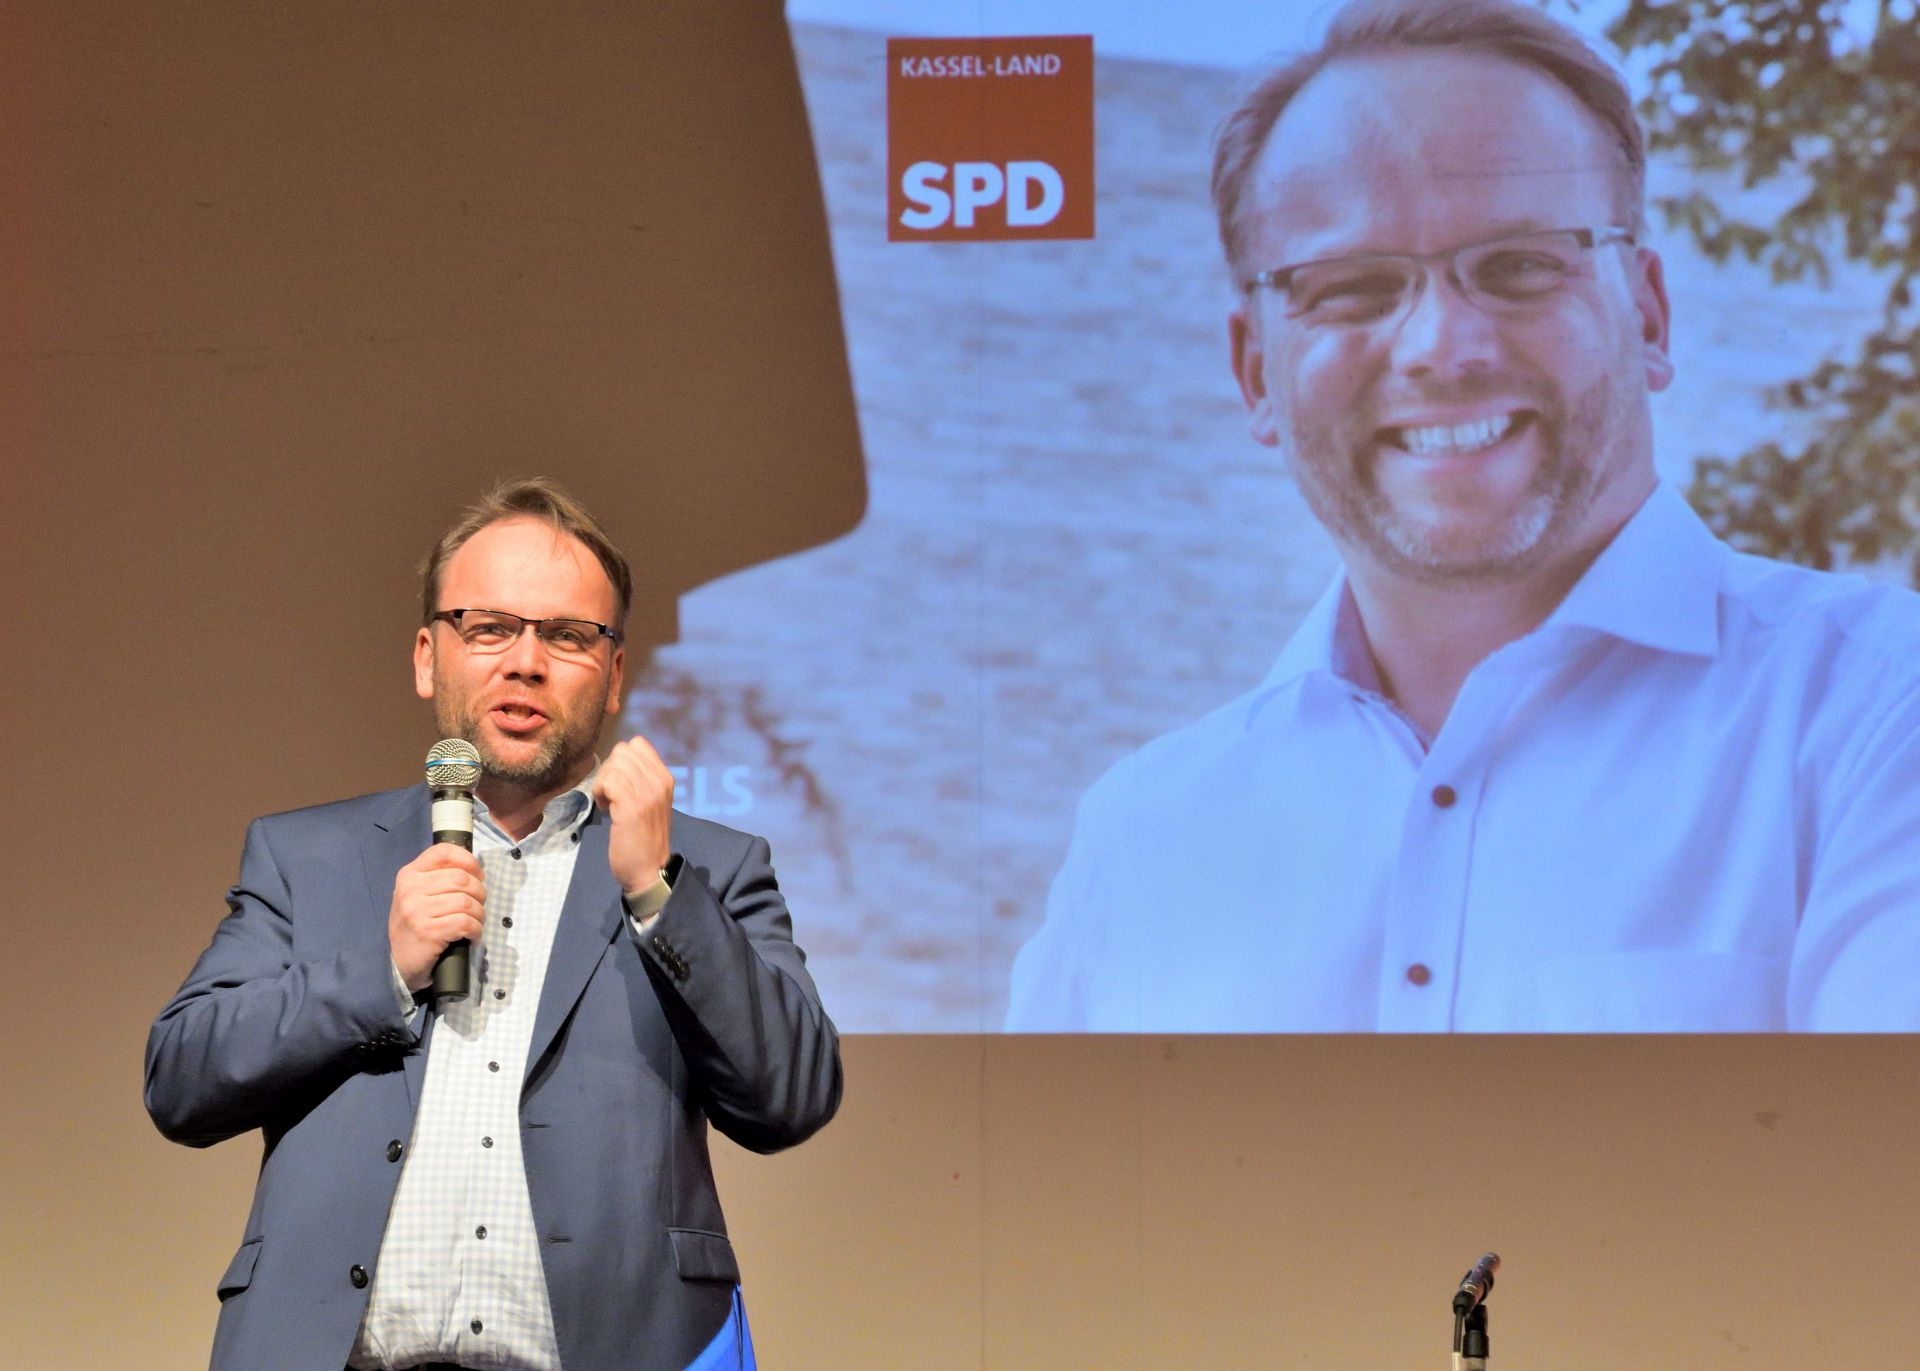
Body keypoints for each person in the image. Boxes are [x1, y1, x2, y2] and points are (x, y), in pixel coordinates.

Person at [1005, 0, 1920, 1032]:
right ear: (1255, 372)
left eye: (1520, 265)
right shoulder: (1141, 841)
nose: (1443, 346)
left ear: (1649, 314)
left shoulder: (1878, 719)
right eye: (1352, 288)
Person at [146, 478, 842, 1370]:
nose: (525, 662)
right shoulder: (304, 855)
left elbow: (792, 1097)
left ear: (614, 675)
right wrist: (382, 969)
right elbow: (180, 1080)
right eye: (489, 628)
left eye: (568, 635)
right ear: (428, 657)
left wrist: (658, 891)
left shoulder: (707, 865)